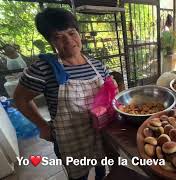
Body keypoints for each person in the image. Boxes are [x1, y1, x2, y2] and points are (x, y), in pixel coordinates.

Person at [13, 8, 118, 180]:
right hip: (71, 139)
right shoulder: (43, 69)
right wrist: (42, 126)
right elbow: (20, 99)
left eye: (71, 32)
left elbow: (110, 96)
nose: (68, 41)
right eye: (58, 36)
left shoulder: (98, 65)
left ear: (78, 33)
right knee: (79, 176)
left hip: (100, 134)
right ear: (50, 41)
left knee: (101, 168)